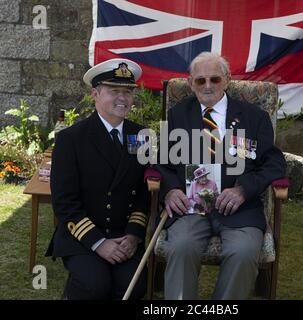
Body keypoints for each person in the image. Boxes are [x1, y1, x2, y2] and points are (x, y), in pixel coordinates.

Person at [155, 52, 286, 300]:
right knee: (181, 247)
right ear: (191, 82)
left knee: (244, 252)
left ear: (226, 80)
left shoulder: (254, 117)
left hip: (239, 208)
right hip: (191, 207)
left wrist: (243, 190)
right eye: (200, 80)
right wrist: (171, 190)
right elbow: (162, 162)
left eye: (214, 79)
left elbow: (274, 162)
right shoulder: (178, 115)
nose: (207, 86)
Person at [46, 58, 149, 300]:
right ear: (95, 94)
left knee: (133, 286)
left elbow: (144, 192)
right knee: (95, 284)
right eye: (114, 91)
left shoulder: (142, 136)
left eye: (127, 92)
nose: (122, 98)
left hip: (123, 234)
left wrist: (133, 234)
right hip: (83, 236)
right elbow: (64, 202)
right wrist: (98, 243)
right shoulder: (71, 139)